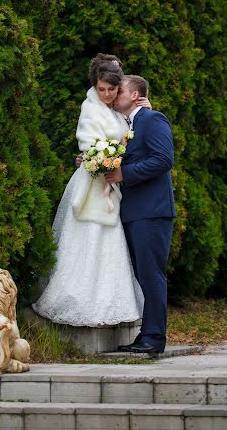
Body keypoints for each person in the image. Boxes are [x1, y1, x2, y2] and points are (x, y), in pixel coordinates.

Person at [32, 55, 146, 326]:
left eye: (111, 89)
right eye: (101, 89)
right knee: (88, 237)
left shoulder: (117, 110)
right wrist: (99, 157)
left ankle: (109, 304)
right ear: (94, 87)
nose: (106, 94)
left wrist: (145, 110)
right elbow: (87, 142)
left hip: (110, 182)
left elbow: (132, 134)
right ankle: (78, 300)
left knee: (109, 242)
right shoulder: (90, 108)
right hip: (92, 181)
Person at [105, 75, 176, 354]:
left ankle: (155, 339)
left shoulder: (152, 119)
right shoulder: (130, 125)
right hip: (135, 211)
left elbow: (163, 159)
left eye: (119, 90)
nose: (114, 94)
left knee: (151, 275)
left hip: (152, 212)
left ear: (135, 95)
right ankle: (146, 334)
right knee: (143, 275)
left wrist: (124, 173)